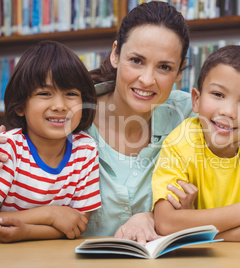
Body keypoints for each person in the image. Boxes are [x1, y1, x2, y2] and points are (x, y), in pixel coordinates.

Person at [0, 2, 194, 245]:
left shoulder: (191, 114)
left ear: (180, 72)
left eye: (164, 67)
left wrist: (152, 217)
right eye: (136, 60)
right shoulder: (67, 116)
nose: (146, 79)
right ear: (115, 54)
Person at [152, 45, 240, 241]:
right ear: (196, 100)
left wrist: (202, 231)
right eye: (218, 95)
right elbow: (166, 223)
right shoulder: (179, 142)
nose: (228, 112)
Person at [0, 41, 101, 243]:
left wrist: (26, 232)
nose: (59, 106)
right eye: (44, 93)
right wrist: (51, 215)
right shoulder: (8, 150)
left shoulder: (85, 150)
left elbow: (78, 224)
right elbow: (64, 220)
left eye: (71, 94)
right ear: (20, 105)